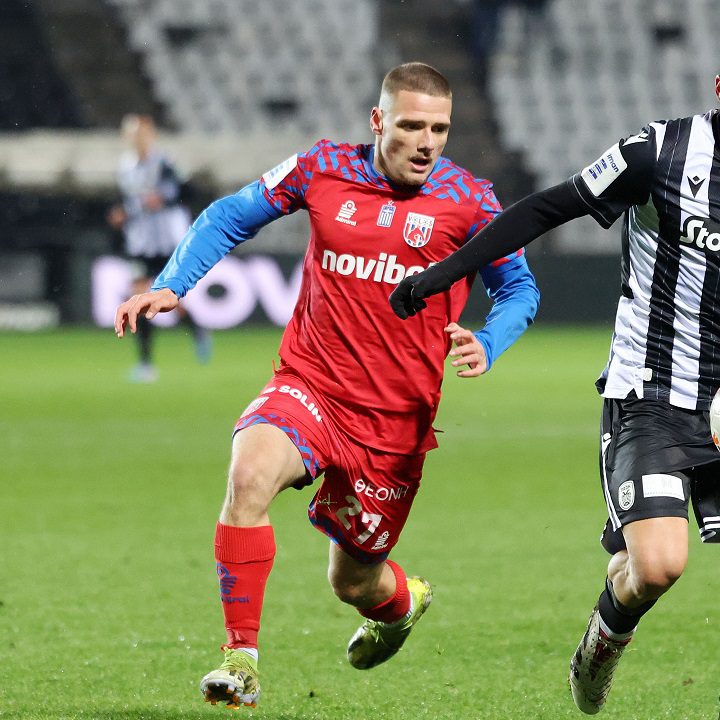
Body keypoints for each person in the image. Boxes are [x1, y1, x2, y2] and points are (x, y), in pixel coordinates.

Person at [391, 15, 720, 719]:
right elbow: (550, 207)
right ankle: (603, 640)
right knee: (657, 566)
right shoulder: (658, 152)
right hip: (651, 393)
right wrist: (446, 273)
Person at [114, 62, 540, 708]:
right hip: (310, 385)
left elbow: (519, 289)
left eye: (439, 129)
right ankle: (241, 659)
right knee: (249, 475)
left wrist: (490, 340)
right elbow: (231, 215)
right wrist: (174, 283)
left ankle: (401, 606)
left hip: (393, 424)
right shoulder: (323, 167)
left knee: (355, 582)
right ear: (378, 120)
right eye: (411, 126)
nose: (426, 142)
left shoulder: (471, 200)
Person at [107, 113, 212, 382]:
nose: (138, 140)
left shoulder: (165, 163)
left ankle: (197, 329)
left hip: (168, 241)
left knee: (171, 301)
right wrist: (120, 213)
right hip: (140, 242)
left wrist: (164, 199)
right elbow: (129, 201)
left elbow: (189, 191)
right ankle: (145, 364)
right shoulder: (126, 166)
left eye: (142, 134)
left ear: (150, 135)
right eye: (134, 135)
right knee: (138, 298)